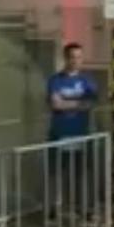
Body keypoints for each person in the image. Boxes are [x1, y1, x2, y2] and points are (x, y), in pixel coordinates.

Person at [46, 42, 99, 216]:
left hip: (80, 134)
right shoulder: (55, 80)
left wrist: (67, 103)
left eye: (79, 57)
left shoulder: (87, 81)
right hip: (59, 133)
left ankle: (83, 208)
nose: (75, 60)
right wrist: (78, 103)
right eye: (72, 57)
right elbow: (55, 104)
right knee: (57, 173)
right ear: (65, 58)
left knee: (81, 173)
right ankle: (55, 207)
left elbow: (89, 104)